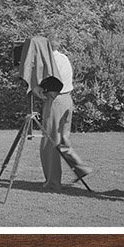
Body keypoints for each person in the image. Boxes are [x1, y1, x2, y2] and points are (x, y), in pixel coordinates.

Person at [37, 38, 93, 191]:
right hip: (67, 99)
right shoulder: (63, 57)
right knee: (62, 139)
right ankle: (80, 167)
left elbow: (50, 83)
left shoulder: (51, 62)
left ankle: (52, 183)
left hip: (55, 100)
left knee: (49, 142)